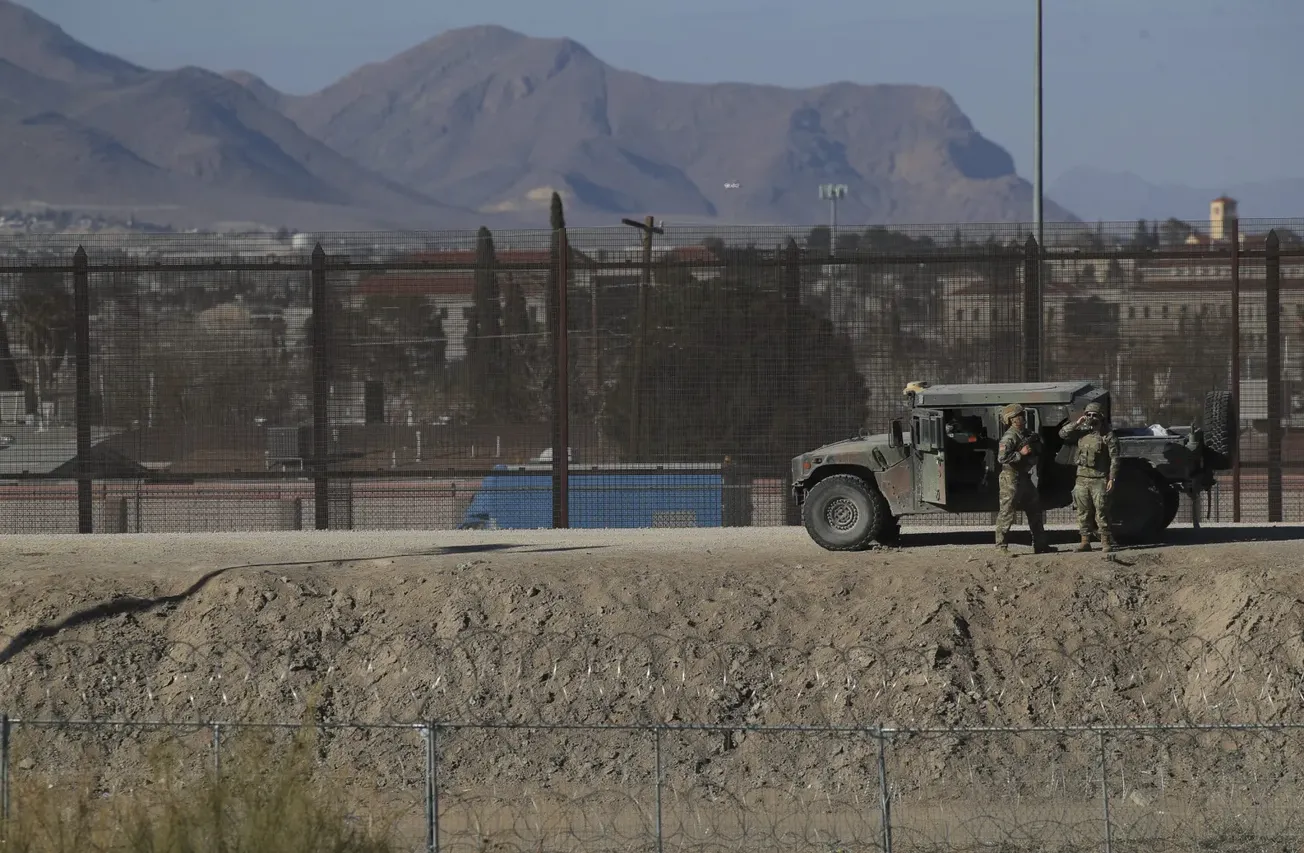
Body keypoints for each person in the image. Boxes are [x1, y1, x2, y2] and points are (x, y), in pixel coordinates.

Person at [1057, 401, 1120, 553]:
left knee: (1101, 511)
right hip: (1082, 478)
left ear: (1101, 417)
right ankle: (1085, 541)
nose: (1091, 417)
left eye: (1094, 415)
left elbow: (1115, 459)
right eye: (1088, 414)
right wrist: (1077, 423)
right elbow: (1062, 434)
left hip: (1099, 479)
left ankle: (1105, 541)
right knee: (1082, 511)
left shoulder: (1108, 436)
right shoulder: (1081, 433)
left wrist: (1112, 478)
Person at [995, 403, 1053, 554]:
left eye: (1022, 415)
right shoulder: (1009, 437)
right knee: (1007, 511)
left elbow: (1038, 447)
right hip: (1010, 477)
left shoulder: (1026, 434)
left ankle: (1040, 545)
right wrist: (1021, 453)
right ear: (1011, 420)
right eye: (1018, 416)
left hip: (1024, 477)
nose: (1022, 418)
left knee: (1034, 509)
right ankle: (1001, 546)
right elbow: (1002, 458)